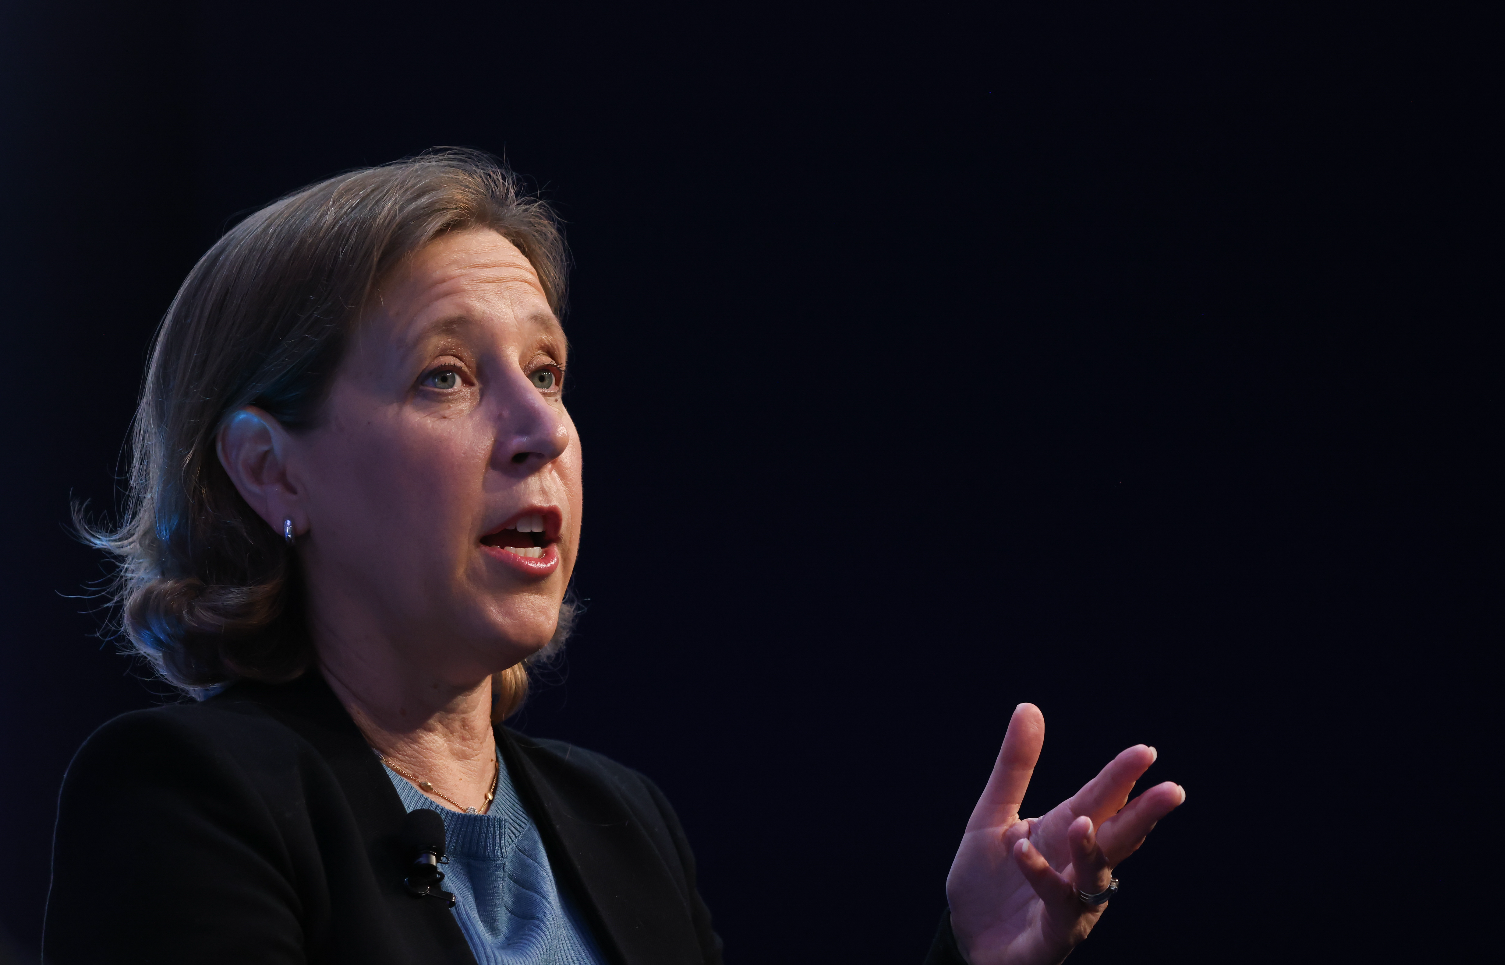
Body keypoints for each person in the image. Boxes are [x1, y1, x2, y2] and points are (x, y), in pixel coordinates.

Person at [42, 151, 1185, 965]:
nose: (540, 429)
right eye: (447, 375)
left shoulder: (618, 819)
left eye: (546, 373)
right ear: (271, 469)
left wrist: (977, 953)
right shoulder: (187, 795)